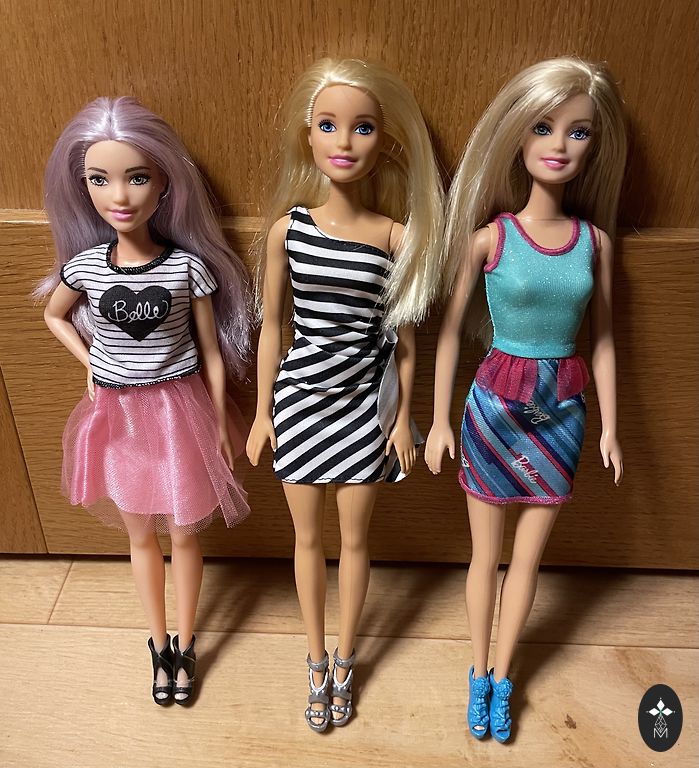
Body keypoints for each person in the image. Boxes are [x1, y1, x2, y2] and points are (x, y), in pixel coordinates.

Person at [425, 57, 627, 742]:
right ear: (516, 134)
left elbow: (604, 340)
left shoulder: (594, 244)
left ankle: (504, 678)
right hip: (492, 408)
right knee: (485, 557)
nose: (559, 145)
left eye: (578, 132)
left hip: (560, 412)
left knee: (527, 559)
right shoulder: (490, 238)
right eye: (543, 127)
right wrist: (435, 420)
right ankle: (477, 672)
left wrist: (611, 427)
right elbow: (448, 333)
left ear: (594, 145)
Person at [246, 58, 443, 730]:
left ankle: (347, 658)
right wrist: (261, 413)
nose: (344, 141)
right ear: (307, 135)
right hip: (300, 400)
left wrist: (404, 420)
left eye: (362, 128)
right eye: (328, 125)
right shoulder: (289, 230)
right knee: (306, 539)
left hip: (364, 404)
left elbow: (407, 341)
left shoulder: (394, 237)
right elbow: (273, 327)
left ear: (383, 141)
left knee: (355, 540)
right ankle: (313, 659)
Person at [38, 97, 251, 705]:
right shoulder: (85, 268)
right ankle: (157, 645)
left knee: (184, 533)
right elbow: (54, 316)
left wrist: (219, 418)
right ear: (82, 187)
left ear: (165, 183)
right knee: (139, 534)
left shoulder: (187, 268)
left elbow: (211, 352)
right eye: (99, 180)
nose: (119, 196)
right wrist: (91, 362)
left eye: (137, 177)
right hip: (120, 415)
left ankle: (186, 641)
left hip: (179, 411)